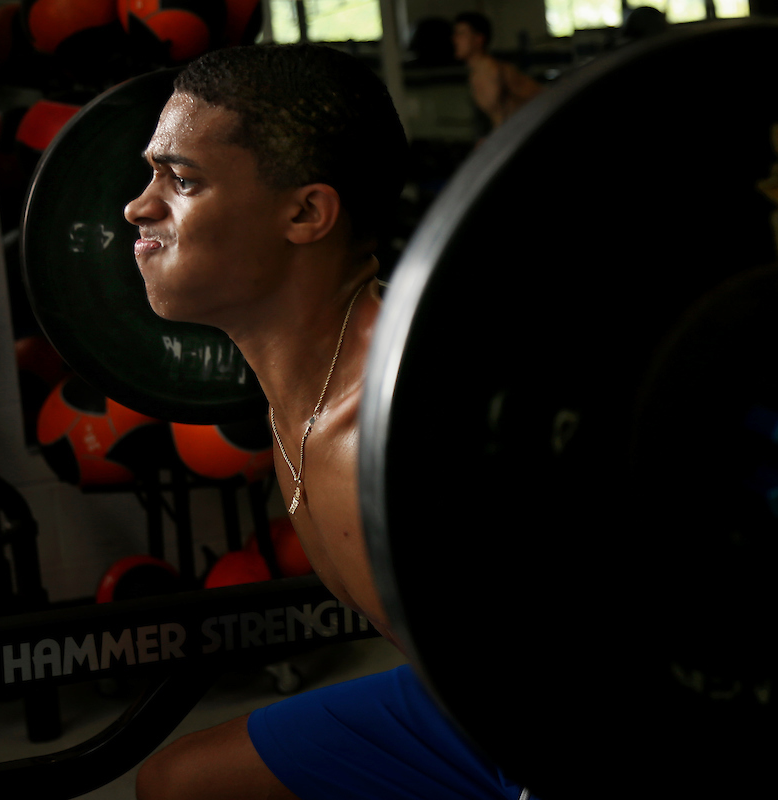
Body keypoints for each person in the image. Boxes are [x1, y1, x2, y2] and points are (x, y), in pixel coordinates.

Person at [124, 43, 530, 800]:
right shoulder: (302, 400)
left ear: (307, 212)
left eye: (182, 180)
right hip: (466, 703)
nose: (138, 205)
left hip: (565, 722)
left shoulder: (404, 424)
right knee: (181, 784)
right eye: (153, 173)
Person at [452, 12, 542, 132]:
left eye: (461, 33)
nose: (455, 39)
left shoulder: (495, 72)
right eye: (455, 33)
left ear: (478, 39)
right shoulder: (475, 75)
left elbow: (542, 98)